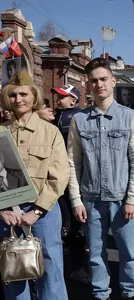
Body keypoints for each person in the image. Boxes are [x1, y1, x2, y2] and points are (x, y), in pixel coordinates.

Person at [67, 57, 134, 300]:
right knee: (95, 254)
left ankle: (129, 292)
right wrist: (76, 201)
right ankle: (101, 294)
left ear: (113, 81)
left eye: (103, 79)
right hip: (91, 200)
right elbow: (73, 162)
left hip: (122, 200)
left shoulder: (130, 117)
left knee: (128, 253)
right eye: (93, 81)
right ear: (88, 86)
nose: (99, 84)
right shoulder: (79, 120)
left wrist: (132, 199)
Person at [0, 69, 70, 300]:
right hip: (8, 214)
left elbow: (59, 176)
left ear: (34, 97)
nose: (18, 100)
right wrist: (2, 209)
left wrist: (37, 211)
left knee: (51, 270)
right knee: (14, 272)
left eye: (23, 94)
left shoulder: (50, 132)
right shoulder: (1, 132)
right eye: (13, 95)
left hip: (43, 212)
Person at [49, 83, 89, 283]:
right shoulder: (61, 115)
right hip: (63, 175)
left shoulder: (70, 117)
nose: (59, 99)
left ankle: (77, 266)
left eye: (63, 96)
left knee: (73, 223)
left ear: (73, 100)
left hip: (66, 175)